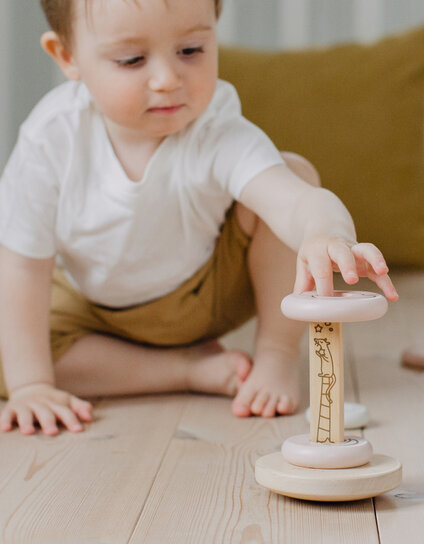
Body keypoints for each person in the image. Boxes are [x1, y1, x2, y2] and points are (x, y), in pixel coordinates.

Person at [0, 0, 398, 436]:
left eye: (191, 50)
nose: (168, 80)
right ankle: (183, 369)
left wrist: (327, 232)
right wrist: (31, 385)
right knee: (17, 357)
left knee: (294, 168)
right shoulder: (51, 138)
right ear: (67, 57)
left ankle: (275, 354)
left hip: (206, 294)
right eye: (132, 59)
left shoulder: (215, 129)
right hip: (92, 307)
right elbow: (21, 265)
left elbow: (294, 199)